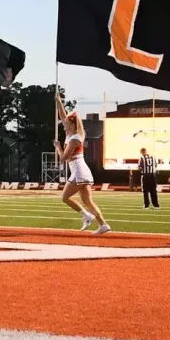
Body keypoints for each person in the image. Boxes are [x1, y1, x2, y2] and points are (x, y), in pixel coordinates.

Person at [53, 93, 110, 234]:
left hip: (78, 171)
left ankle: (86, 215)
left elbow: (64, 158)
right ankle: (103, 225)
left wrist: (58, 147)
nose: (64, 125)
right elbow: (62, 115)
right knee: (88, 201)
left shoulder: (74, 139)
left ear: (72, 125)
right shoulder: (75, 134)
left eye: (66, 124)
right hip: (83, 171)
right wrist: (59, 102)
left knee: (65, 197)